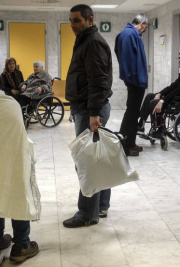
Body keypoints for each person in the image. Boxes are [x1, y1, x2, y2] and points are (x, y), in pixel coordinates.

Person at [0, 55, 40, 263]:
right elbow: (19, 144)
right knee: (16, 175)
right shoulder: (9, 104)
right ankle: (21, 243)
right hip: (5, 172)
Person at [63, 4, 113, 228]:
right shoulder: (85, 39)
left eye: (77, 20)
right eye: (71, 20)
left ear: (89, 19)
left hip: (90, 109)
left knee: (87, 163)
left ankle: (87, 214)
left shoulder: (92, 42)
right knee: (96, 159)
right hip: (85, 107)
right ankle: (100, 206)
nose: (73, 25)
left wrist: (93, 113)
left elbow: (98, 81)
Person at [137, 51, 180, 138]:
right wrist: (160, 93)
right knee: (150, 96)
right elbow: (172, 86)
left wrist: (162, 100)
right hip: (178, 99)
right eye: (179, 58)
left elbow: (179, 90)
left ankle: (159, 130)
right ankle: (141, 125)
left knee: (155, 102)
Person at [115, 14, 148, 156]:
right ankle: (124, 145)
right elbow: (127, 57)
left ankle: (131, 143)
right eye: (145, 28)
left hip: (135, 79)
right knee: (131, 113)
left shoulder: (130, 34)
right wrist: (131, 77)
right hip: (135, 80)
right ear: (141, 23)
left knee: (133, 112)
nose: (144, 31)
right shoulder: (129, 34)